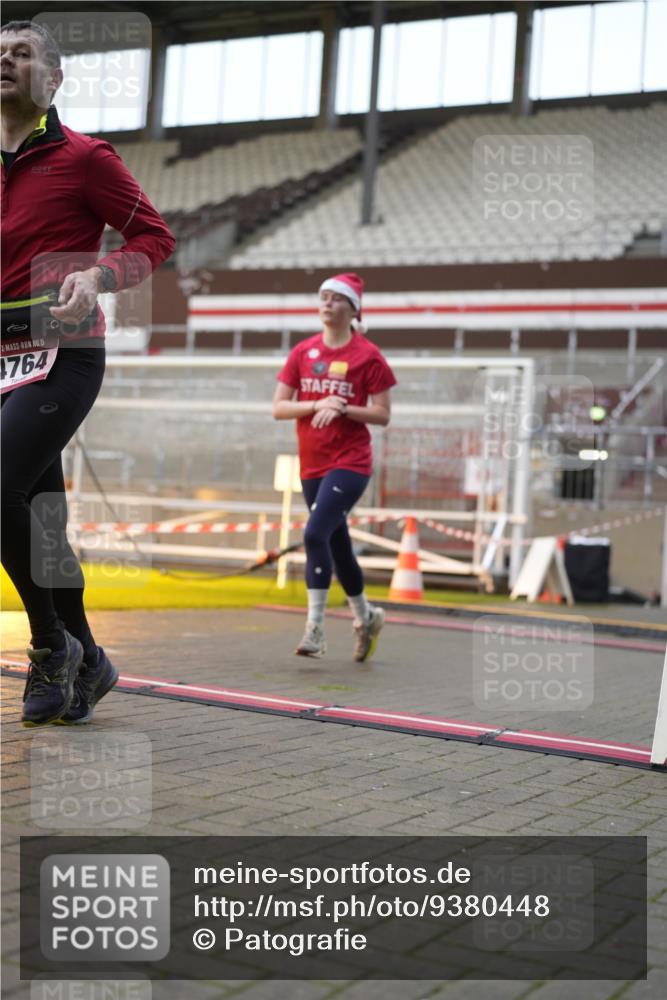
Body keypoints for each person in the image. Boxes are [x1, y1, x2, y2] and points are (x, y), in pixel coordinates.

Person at [1, 21, 175, 726]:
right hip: (0, 362)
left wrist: (100, 276)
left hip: (63, 354)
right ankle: (92, 660)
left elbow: (155, 238)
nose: (5, 64)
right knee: (44, 528)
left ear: (53, 79)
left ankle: (50, 646)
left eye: (21, 54)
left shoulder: (85, 158)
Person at [272, 273, 397, 661]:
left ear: (353, 309)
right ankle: (367, 616)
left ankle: (315, 629)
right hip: (312, 462)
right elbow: (278, 407)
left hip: (351, 462)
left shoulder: (368, 356)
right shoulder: (303, 352)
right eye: (322, 297)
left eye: (335, 298)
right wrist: (317, 403)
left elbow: (382, 414)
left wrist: (342, 406)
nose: (326, 303)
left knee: (314, 535)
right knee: (337, 545)